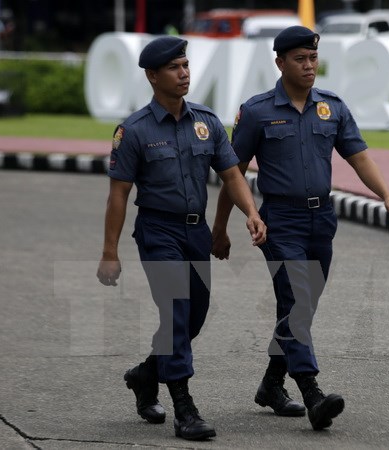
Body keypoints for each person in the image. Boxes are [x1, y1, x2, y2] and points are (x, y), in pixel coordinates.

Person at [212, 26, 389, 431]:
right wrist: (221, 228)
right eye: (300, 59)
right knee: (298, 302)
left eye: (313, 58)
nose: (309, 66)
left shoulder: (331, 107)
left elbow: (359, 157)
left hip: (323, 220)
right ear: (280, 62)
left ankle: (270, 385)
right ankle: (312, 391)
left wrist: (386, 194)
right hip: (280, 221)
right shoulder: (257, 110)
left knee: (301, 306)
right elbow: (233, 172)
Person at [96, 36, 266, 441]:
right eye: (174, 67)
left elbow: (231, 175)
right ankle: (184, 408)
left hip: (196, 231)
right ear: (152, 76)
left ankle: (145, 375)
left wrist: (252, 213)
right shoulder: (134, 130)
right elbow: (119, 194)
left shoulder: (206, 122)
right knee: (176, 310)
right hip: (158, 231)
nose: (184, 73)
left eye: (186, 65)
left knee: (194, 316)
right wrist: (109, 252)